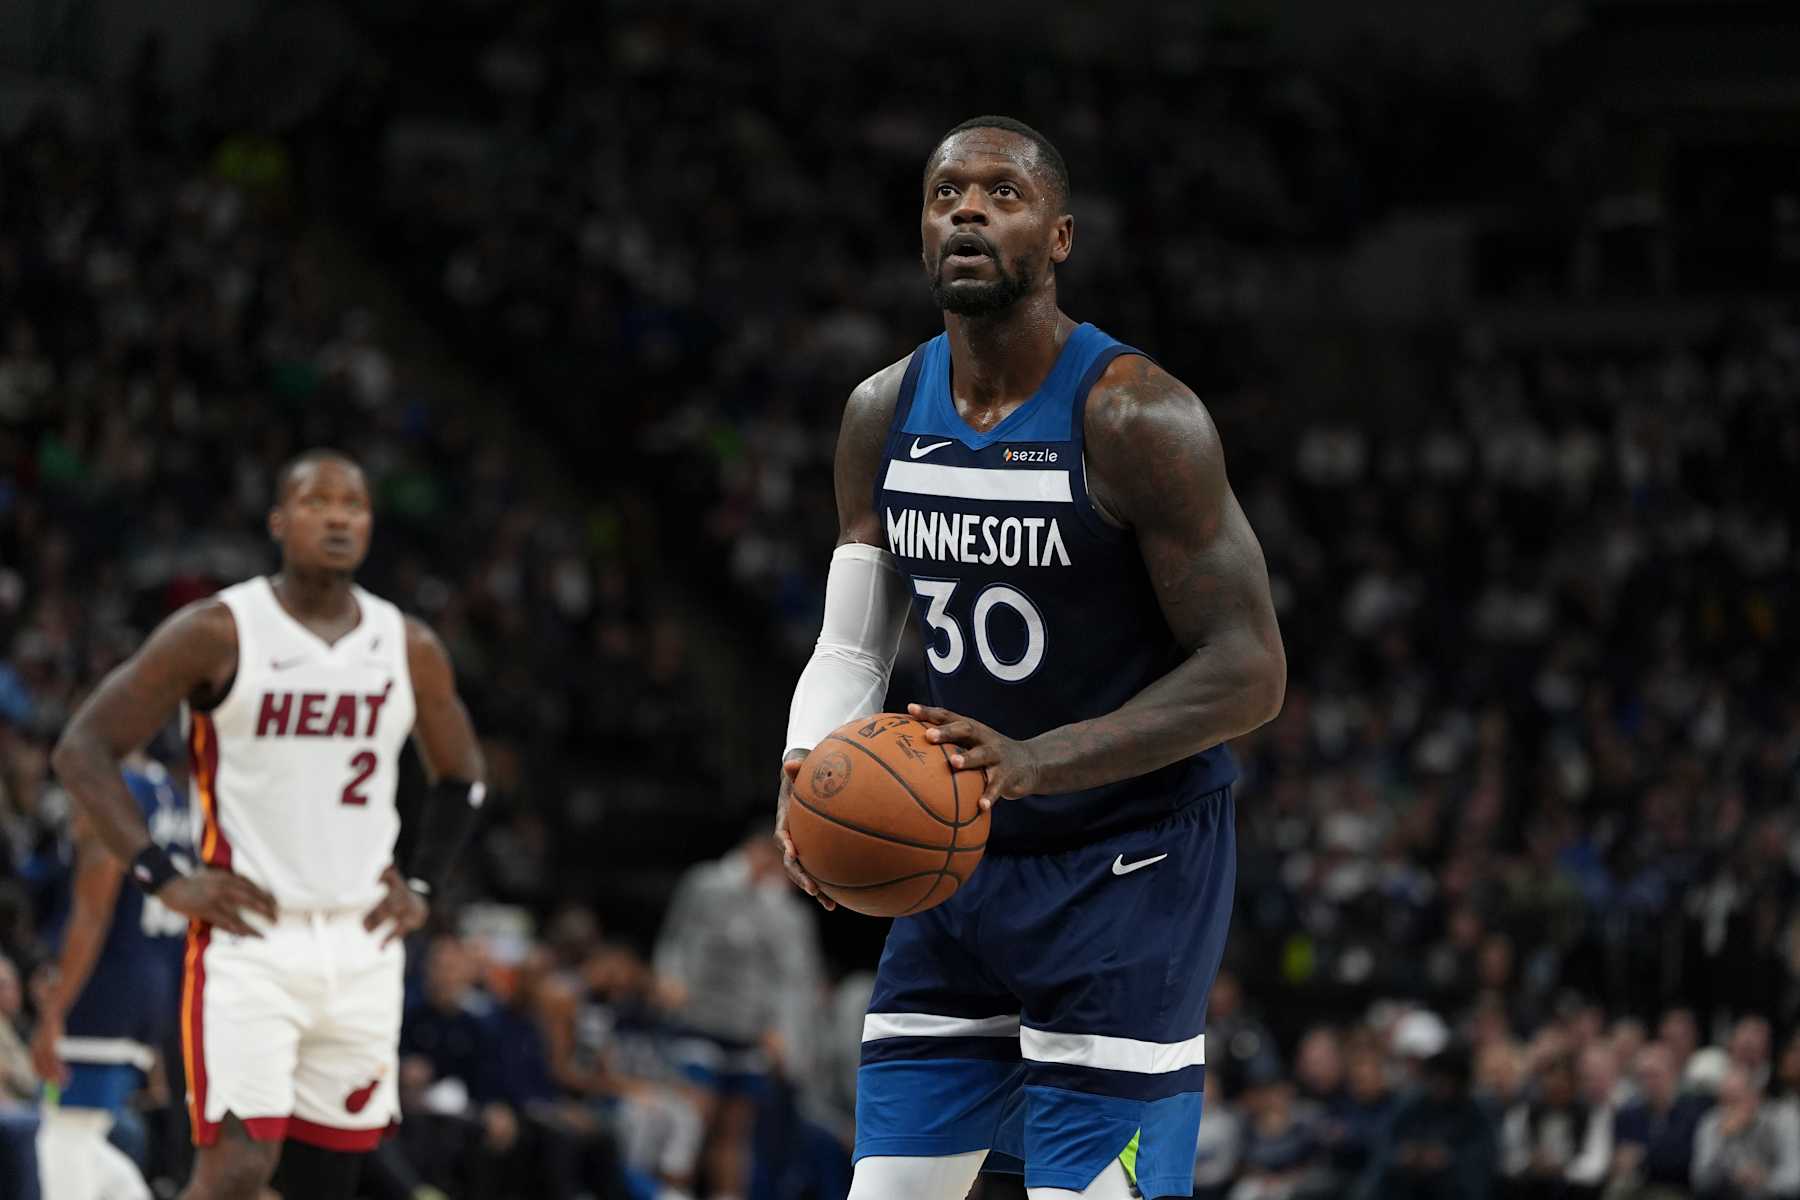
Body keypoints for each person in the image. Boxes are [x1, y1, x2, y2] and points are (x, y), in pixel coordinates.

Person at [774, 115, 1286, 1200]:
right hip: (960, 856)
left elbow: (1249, 670)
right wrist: (806, 764)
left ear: (1058, 237)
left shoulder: (1139, 416)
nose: (966, 208)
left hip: (1128, 865)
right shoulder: (882, 410)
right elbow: (856, 640)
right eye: (945, 192)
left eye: (1000, 194)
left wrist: (1037, 761)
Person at [50, 450, 487, 1200]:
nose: (339, 517)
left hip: (361, 945)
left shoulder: (405, 644)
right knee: (236, 1171)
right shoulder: (221, 629)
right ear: (280, 522)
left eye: (353, 505)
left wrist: (421, 882)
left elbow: (463, 776)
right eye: (318, 503)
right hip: (250, 940)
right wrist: (163, 875)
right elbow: (83, 748)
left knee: (326, 1180)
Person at [31, 754, 191, 1158]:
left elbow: (92, 913)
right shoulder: (173, 795)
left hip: (99, 999)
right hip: (155, 994)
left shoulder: (107, 791)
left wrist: (53, 1014)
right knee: (111, 1163)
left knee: (65, 1161)